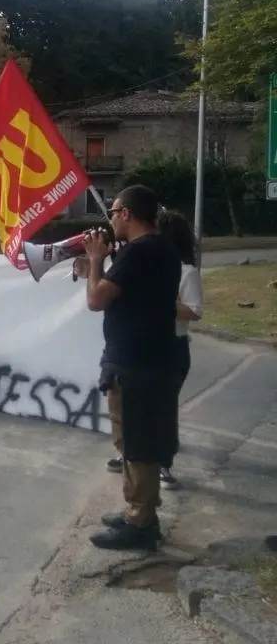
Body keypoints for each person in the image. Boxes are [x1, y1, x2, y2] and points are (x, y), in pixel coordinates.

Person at [83, 185, 182, 551]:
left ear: (127, 214)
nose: (110, 218)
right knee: (135, 442)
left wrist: (95, 260)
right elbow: (126, 291)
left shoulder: (140, 252)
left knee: (137, 443)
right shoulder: (160, 250)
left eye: (113, 211)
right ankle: (138, 511)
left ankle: (140, 523)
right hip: (151, 359)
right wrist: (103, 266)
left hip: (136, 365)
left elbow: (96, 299)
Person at [155, 209, 203, 490]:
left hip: (173, 346)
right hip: (148, 344)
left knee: (164, 407)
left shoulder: (187, 272)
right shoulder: (148, 267)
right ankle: (130, 453)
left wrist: (161, 300)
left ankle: (163, 463)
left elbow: (194, 312)